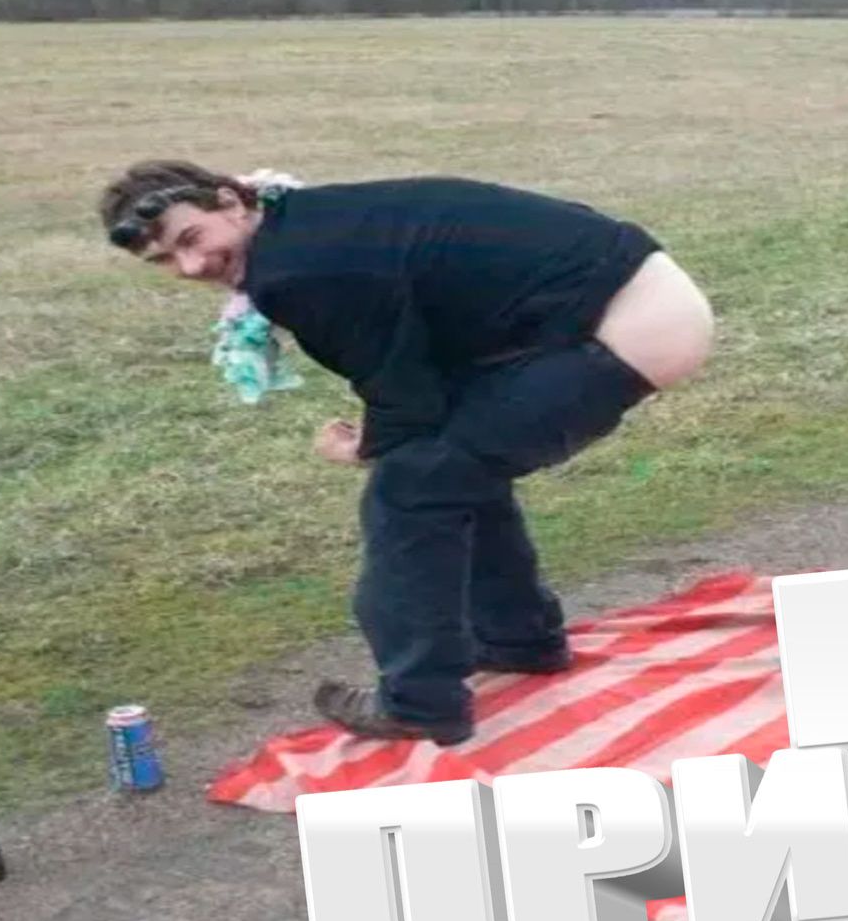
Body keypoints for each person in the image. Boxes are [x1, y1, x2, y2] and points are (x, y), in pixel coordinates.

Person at [98, 161, 715, 745]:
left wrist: (367, 446)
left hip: (628, 324)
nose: (192, 264)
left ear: (230, 202)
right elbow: (411, 370)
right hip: (616, 301)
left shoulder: (293, 270)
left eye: (191, 237)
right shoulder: (299, 222)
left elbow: (406, 399)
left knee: (411, 487)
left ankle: (420, 704)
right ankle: (518, 642)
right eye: (165, 259)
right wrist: (387, 432)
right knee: (454, 466)